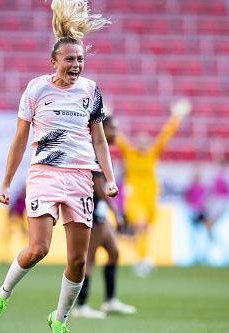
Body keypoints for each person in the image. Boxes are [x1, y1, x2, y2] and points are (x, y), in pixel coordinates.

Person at [0, 2, 115, 333]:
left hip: (81, 178)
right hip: (44, 175)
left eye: (80, 59)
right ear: (53, 61)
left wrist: (109, 179)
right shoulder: (37, 88)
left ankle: (60, 318)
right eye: (70, 59)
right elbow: (19, 139)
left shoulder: (90, 91)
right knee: (39, 248)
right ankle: (2, 293)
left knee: (79, 261)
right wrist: (5, 183)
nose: (76, 65)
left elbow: (99, 141)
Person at [116, 99, 191, 277]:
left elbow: (165, 135)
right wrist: (105, 115)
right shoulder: (129, 152)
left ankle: (141, 257)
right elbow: (118, 137)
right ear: (136, 143)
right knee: (140, 226)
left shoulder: (152, 153)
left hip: (150, 198)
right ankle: (143, 260)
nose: (142, 144)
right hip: (134, 198)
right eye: (140, 141)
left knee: (145, 229)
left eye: (145, 141)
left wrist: (177, 117)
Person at [73, 115, 136, 319]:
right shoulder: (95, 151)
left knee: (114, 252)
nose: (116, 133)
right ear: (104, 129)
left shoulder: (103, 151)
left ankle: (109, 301)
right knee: (88, 261)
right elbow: (100, 188)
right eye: (113, 129)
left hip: (98, 213)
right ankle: (81, 306)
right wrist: (116, 212)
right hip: (89, 211)